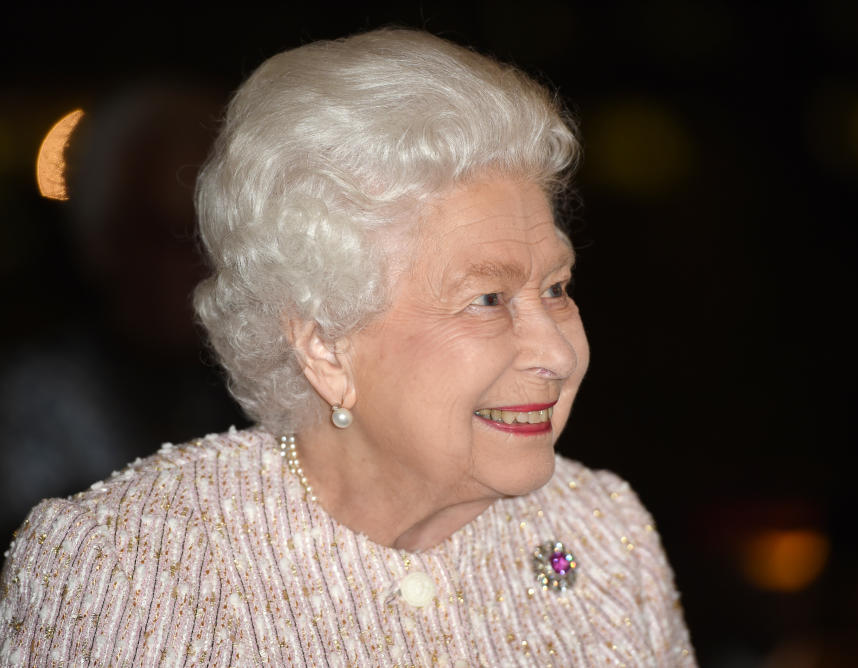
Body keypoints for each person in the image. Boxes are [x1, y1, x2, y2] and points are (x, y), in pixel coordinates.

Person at [0, 29, 695, 666]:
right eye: (488, 299)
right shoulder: (126, 568)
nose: (558, 351)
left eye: (556, 287)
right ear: (325, 345)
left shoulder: (604, 532)